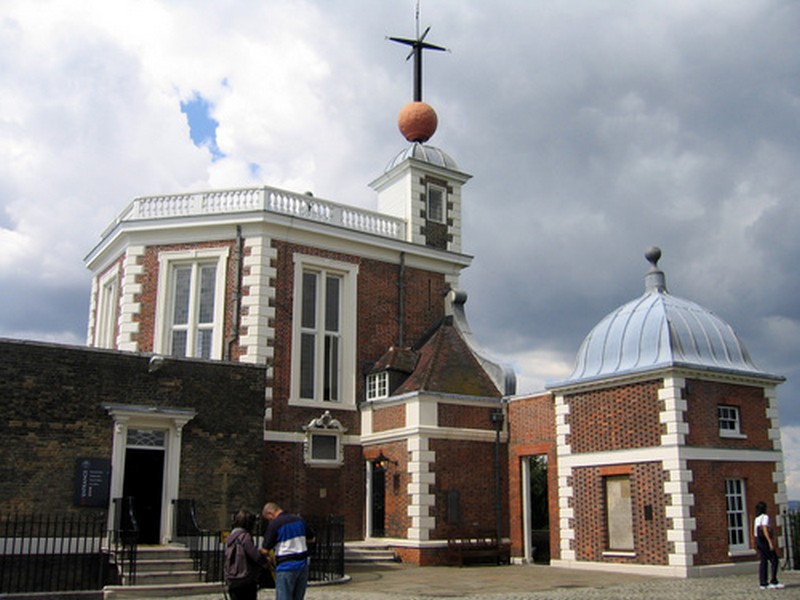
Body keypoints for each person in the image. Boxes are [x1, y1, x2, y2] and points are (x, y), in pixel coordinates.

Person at [261, 502, 315, 600]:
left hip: (286, 566)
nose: (269, 521)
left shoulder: (275, 524)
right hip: (302, 565)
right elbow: (312, 538)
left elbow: (265, 549)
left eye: (268, 518)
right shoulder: (299, 520)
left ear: (270, 513)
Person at [224, 509, 265, 600]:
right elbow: (255, 556)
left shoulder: (231, 537)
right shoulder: (244, 536)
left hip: (232, 578)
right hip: (245, 578)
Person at [754, 501, 784, 590]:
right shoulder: (765, 517)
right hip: (764, 541)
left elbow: (756, 531)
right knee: (774, 560)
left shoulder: (757, 518)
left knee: (763, 561)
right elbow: (764, 529)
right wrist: (770, 542)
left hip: (758, 540)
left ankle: (763, 583)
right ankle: (773, 581)